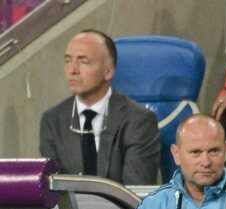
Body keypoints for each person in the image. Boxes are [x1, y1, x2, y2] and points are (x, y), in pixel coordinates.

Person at [40, 29, 160, 184]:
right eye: (68, 60)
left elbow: (135, 191)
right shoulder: (53, 120)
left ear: (108, 71)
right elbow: (51, 188)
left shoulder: (139, 121)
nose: (72, 70)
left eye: (83, 61)